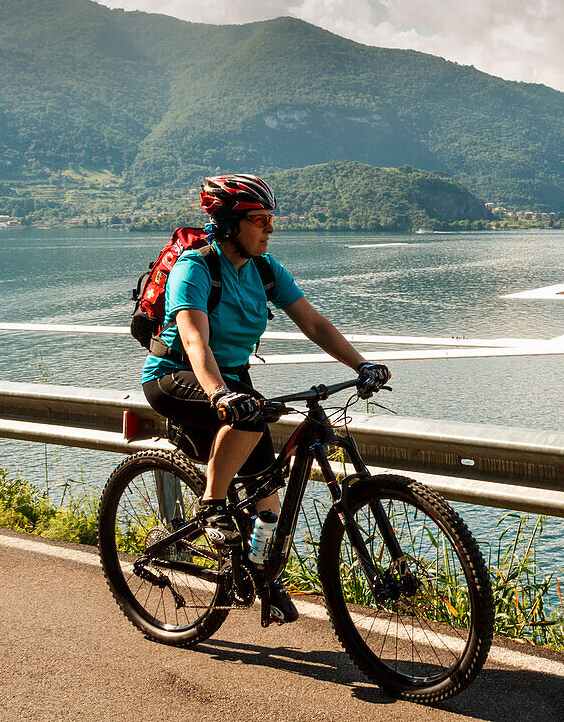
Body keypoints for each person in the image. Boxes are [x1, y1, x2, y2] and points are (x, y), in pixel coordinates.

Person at [140, 174, 390, 624]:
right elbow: (195, 340)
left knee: (266, 496)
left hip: (233, 381)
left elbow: (314, 323)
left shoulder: (264, 269)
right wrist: (220, 394)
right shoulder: (195, 268)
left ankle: (260, 578)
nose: (269, 229)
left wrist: (360, 365)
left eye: (270, 219)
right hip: (176, 376)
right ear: (230, 223)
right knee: (249, 420)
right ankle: (212, 504)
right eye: (259, 220)